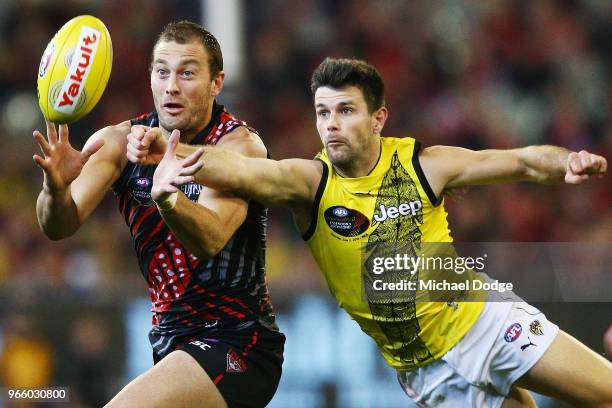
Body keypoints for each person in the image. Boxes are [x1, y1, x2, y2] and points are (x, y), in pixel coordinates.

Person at [128, 57, 612, 407]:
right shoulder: (310, 185)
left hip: (485, 322)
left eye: (345, 111)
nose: (331, 125)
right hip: (426, 371)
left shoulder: (425, 164)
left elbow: (521, 161)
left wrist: (565, 161)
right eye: (322, 113)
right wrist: (172, 156)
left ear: (378, 117)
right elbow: (247, 173)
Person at [33, 21, 284, 408]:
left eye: (186, 72)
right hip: (170, 343)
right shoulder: (119, 142)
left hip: (238, 343)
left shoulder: (239, 146)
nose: (171, 86)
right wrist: (56, 187)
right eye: (162, 71)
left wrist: (168, 198)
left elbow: (211, 239)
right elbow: (57, 225)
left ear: (216, 82)